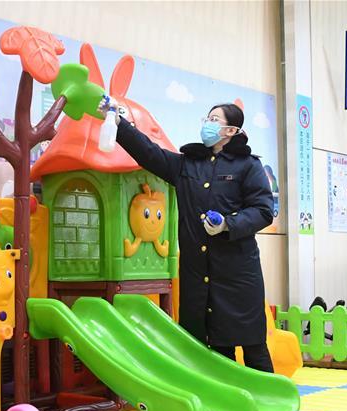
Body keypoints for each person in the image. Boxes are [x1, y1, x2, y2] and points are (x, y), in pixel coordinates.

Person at [101, 99, 276, 372]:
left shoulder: (248, 166)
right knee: (213, 351)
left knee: (253, 344)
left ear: (231, 131)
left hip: (237, 275)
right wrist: (119, 123)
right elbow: (149, 153)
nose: (207, 124)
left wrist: (228, 224)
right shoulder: (188, 165)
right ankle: (222, 397)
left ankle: (269, 395)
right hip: (197, 276)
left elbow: (263, 211)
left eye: (214, 120)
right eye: (207, 118)